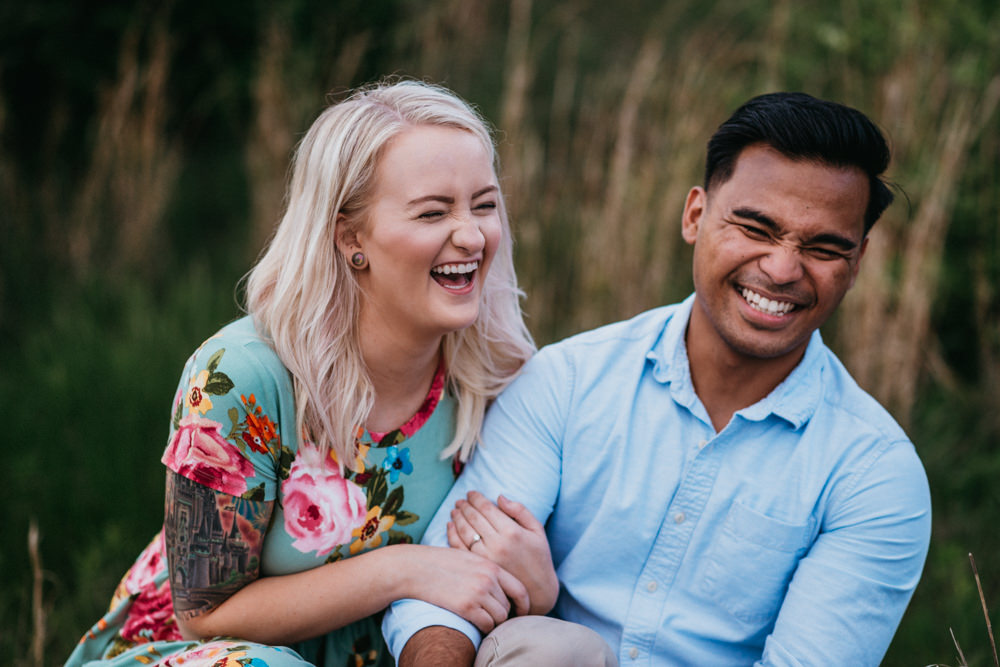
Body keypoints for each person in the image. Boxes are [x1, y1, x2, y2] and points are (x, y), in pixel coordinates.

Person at [383, 92, 933, 666]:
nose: (782, 269)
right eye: (755, 228)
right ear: (695, 215)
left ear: (858, 262)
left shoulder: (874, 474)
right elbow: (443, 594)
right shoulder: (568, 381)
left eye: (822, 248)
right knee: (550, 650)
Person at [66, 79, 559, 667]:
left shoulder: (498, 378)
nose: (472, 235)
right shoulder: (240, 379)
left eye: (484, 204)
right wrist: (402, 570)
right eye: (434, 212)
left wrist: (539, 588)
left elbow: (493, 586)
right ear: (351, 237)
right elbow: (202, 613)